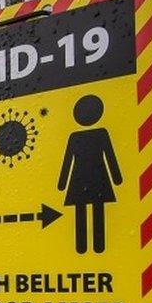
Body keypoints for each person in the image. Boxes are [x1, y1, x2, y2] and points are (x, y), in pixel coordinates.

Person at [57, 95, 123, 254]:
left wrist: (62, 183)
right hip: (96, 178)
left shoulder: (93, 134)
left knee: (89, 210)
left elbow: (109, 156)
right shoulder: (92, 135)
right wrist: (116, 178)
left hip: (85, 179)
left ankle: (90, 246)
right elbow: (68, 159)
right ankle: (90, 246)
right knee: (90, 210)